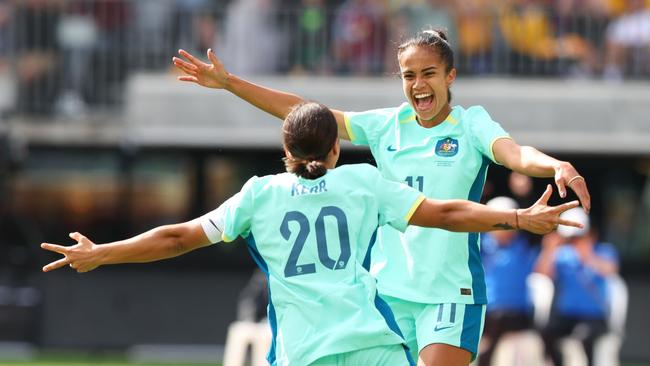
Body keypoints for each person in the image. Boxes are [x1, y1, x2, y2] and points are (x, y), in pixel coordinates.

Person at [41, 103, 581, 366]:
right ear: (335, 150)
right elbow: (443, 212)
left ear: (285, 152)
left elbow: (178, 238)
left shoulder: (259, 195)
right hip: (374, 348)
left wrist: (102, 253)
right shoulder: (364, 183)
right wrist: (515, 219)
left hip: (302, 353)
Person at [172, 29, 591, 365]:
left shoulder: (471, 124)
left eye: (429, 73)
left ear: (450, 77)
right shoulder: (385, 126)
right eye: (409, 76)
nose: (418, 84)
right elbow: (305, 113)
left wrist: (553, 165)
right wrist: (229, 83)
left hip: (450, 293)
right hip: (386, 293)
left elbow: (514, 154)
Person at [534, 207, 619, 366]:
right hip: (567, 315)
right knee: (546, 332)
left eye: (577, 237)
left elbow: (610, 270)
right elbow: (542, 273)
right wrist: (549, 249)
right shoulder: (562, 255)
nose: (573, 242)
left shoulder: (604, 250)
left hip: (595, 316)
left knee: (584, 336)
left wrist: (587, 255)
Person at [478, 197, 538, 366]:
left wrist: (524, 192)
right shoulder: (478, 245)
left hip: (518, 315)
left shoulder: (525, 243)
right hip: (487, 314)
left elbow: (532, 218)